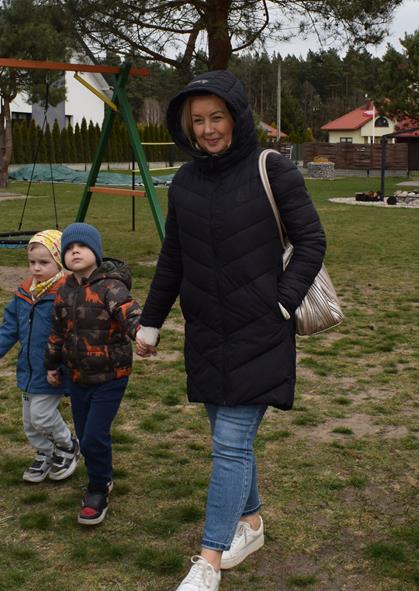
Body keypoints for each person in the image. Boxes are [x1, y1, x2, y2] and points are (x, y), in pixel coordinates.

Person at [135, 70, 326, 591]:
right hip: (206, 333)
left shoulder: (273, 168)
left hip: (260, 330)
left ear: (237, 117)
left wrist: (281, 303)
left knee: (230, 443)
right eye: (197, 120)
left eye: (217, 117)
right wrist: (151, 321)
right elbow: (173, 258)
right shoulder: (185, 182)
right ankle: (252, 523)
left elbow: (311, 240)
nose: (208, 129)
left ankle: (209, 561)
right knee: (230, 441)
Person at [44, 222, 142, 526]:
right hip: (77, 377)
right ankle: (101, 474)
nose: (75, 252)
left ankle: (99, 487)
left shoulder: (110, 286)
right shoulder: (63, 290)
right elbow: (57, 332)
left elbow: (129, 311)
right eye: (70, 248)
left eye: (82, 246)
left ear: (96, 253)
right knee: (86, 435)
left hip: (111, 375)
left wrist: (140, 332)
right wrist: (52, 365)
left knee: (95, 435)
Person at [0, 229, 79, 483]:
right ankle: (45, 452)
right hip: (28, 369)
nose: (36, 268)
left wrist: (63, 365)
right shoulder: (25, 292)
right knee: (29, 422)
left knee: (42, 416)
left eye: (44, 262)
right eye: (32, 262)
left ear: (59, 262)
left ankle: (67, 445)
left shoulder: (66, 293)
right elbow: (10, 326)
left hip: (52, 369)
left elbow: (73, 334)